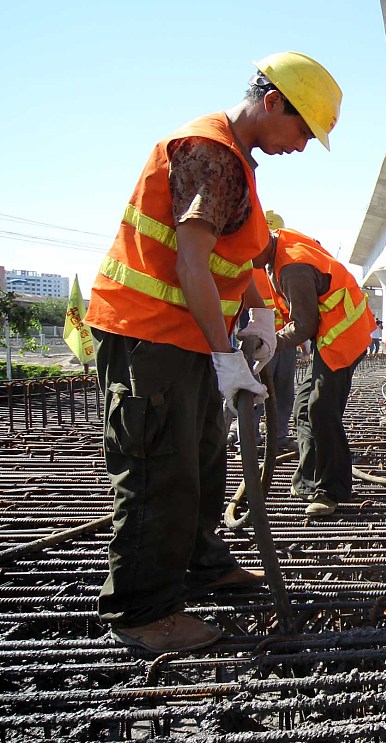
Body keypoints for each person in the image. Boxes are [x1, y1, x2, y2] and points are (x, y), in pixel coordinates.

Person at [83, 52, 342, 653]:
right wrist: (227, 351)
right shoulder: (209, 154)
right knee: (160, 471)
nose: (302, 146)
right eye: (303, 130)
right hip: (149, 335)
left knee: (201, 458)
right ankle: (143, 612)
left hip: (185, 338)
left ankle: (203, 561)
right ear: (272, 102)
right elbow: (191, 263)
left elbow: (241, 261)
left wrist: (257, 316)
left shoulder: (238, 164)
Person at [254, 226, 376, 517]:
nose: (244, 261)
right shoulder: (277, 242)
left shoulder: (293, 267)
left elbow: (304, 325)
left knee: (321, 408)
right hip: (331, 333)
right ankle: (308, 480)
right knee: (303, 406)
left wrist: (270, 343)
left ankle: (332, 490)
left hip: (344, 334)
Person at [253, 209, 299, 453]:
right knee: (259, 392)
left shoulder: (282, 263)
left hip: (283, 338)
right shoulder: (252, 264)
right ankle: (251, 441)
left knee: (279, 392)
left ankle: (273, 438)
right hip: (261, 339)